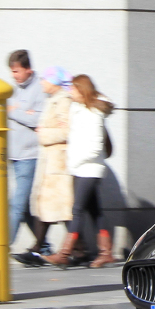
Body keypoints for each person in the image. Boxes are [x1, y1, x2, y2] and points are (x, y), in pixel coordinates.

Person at [46, 74, 116, 268]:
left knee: (77, 210)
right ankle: (106, 252)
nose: (70, 92)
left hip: (88, 168)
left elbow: (95, 146)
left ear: (81, 90)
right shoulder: (79, 109)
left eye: (73, 89)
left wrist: (75, 162)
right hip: (82, 168)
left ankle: (64, 253)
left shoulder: (93, 113)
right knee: (95, 211)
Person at [15, 67, 75, 267]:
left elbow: (66, 130)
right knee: (53, 209)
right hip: (51, 163)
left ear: (54, 82)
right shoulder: (54, 100)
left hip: (58, 164)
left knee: (57, 209)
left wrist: (43, 133)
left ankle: (39, 250)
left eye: (45, 80)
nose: (41, 83)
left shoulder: (63, 101)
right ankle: (75, 249)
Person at [6, 50, 45, 249]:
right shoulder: (15, 89)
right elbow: (25, 116)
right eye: (12, 72)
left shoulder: (39, 88)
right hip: (14, 154)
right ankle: (44, 247)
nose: (14, 76)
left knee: (17, 204)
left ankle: (4, 244)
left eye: (17, 71)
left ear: (28, 69)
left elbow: (38, 119)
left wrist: (14, 112)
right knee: (24, 207)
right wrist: (23, 113)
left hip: (29, 155)